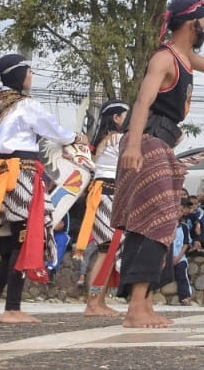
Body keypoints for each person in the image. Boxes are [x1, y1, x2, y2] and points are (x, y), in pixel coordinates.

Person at [114, 0, 204, 328]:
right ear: (193, 23)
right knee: (156, 222)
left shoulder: (186, 58)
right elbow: (143, 100)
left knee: (152, 224)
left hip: (161, 143)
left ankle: (143, 303)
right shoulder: (164, 58)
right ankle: (136, 307)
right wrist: (135, 145)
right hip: (147, 140)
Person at [0, 54, 81, 325]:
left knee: (9, 248)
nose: (31, 77)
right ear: (19, 75)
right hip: (22, 174)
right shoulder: (26, 105)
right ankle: (12, 308)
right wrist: (74, 138)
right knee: (25, 236)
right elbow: (53, 130)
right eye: (29, 72)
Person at [75, 101, 130, 317]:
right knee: (106, 249)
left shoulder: (106, 139)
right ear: (116, 118)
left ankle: (98, 301)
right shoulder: (117, 139)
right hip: (108, 193)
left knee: (108, 250)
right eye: (127, 115)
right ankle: (93, 303)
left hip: (106, 193)